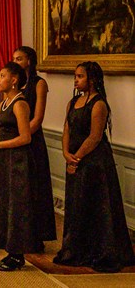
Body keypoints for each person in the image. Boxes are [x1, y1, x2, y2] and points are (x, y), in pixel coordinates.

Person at [53, 62, 135, 272]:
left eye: (80, 76)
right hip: (74, 160)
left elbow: (95, 137)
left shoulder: (99, 104)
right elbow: (66, 130)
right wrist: (65, 154)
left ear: (92, 79)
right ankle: (76, 250)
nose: (76, 80)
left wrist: (76, 158)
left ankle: (101, 252)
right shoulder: (72, 102)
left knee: (97, 206)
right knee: (77, 205)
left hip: (94, 163)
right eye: (75, 76)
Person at [0, 61, 39, 271]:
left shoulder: (20, 104)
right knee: (6, 206)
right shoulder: (2, 104)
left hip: (19, 161)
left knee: (18, 207)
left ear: (14, 80)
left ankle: (18, 254)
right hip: (5, 160)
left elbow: (25, 137)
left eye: (3, 76)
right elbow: (0, 134)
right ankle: (10, 251)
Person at [13, 46, 56, 248]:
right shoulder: (14, 85)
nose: (16, 61)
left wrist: (22, 136)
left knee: (34, 189)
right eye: (14, 58)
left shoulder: (39, 83)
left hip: (32, 141)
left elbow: (37, 118)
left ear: (29, 61)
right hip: (13, 141)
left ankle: (36, 235)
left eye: (19, 58)